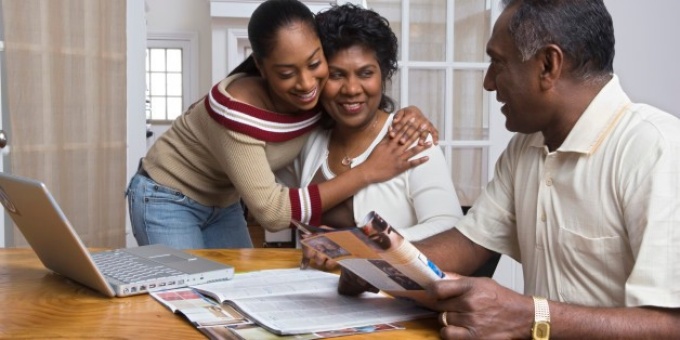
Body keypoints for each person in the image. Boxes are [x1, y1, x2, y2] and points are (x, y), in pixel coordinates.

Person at [338, 0, 680, 338]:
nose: (488, 82)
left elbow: (671, 325)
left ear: (548, 64)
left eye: (498, 63)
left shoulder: (658, 150)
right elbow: (468, 245)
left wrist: (528, 316)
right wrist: (376, 265)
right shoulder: (526, 147)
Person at [126, 0, 439, 249]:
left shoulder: (316, 94)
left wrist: (407, 114)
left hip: (223, 200)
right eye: (287, 74)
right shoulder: (235, 112)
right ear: (261, 67)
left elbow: (354, 96)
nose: (306, 84)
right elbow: (273, 214)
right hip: (166, 196)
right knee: (183, 299)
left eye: (316, 64)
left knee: (238, 294)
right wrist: (369, 171)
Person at [276, 3, 463, 248]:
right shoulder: (308, 139)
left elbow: (448, 227)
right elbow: (279, 208)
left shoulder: (412, 139)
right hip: (310, 283)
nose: (352, 89)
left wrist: (360, 246)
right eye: (336, 75)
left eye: (365, 73)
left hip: (384, 287)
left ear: (383, 75)